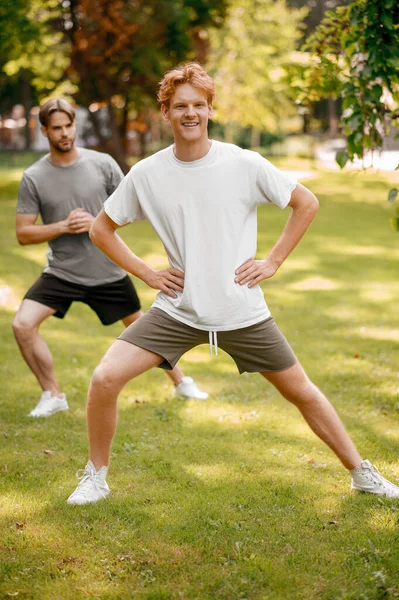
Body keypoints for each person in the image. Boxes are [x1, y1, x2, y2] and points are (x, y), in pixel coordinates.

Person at [67, 63, 399, 505]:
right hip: (178, 311)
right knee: (105, 378)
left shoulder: (243, 162)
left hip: (242, 311)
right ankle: (96, 477)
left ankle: (362, 473)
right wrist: (147, 273)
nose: (191, 114)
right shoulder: (147, 173)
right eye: (181, 106)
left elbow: (306, 202)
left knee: (301, 391)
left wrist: (273, 261)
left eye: (199, 106)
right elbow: (101, 229)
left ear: (210, 110)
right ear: (165, 112)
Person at [12, 98, 208, 419]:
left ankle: (182, 381)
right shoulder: (34, 177)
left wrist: (98, 223)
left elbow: (133, 209)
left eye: (68, 126)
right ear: (44, 130)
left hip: (108, 272)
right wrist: (63, 226)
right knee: (22, 324)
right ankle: (53, 394)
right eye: (56, 128)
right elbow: (23, 233)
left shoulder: (102, 164)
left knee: (146, 331)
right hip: (61, 273)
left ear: (74, 126)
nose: (64, 133)